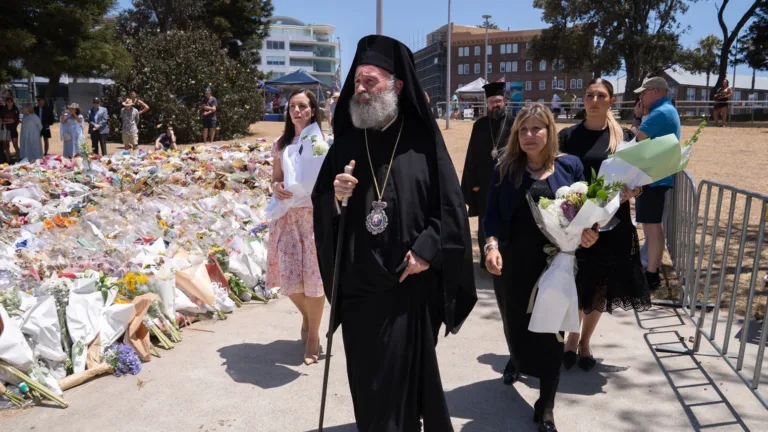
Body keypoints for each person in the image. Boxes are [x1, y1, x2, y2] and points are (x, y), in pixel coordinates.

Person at [312, 35, 477, 431]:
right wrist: (335, 198)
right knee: (369, 389)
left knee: (405, 387)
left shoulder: (422, 142)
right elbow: (321, 204)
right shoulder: (347, 141)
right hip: (360, 290)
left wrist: (426, 251)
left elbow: (450, 210)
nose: (362, 90)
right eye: (357, 83)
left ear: (397, 86)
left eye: (371, 82)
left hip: (408, 286)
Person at [485, 104, 598, 432]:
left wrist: (591, 233)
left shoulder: (570, 166)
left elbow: (585, 213)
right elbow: (491, 215)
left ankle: (546, 404)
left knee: (552, 335)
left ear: (550, 131)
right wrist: (491, 246)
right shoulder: (504, 169)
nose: (529, 136)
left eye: (536, 129)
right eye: (523, 130)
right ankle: (517, 359)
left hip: (557, 265)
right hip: (512, 265)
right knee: (516, 326)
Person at [559, 78, 650, 371]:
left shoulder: (624, 138)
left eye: (601, 95)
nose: (594, 100)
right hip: (576, 222)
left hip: (614, 224)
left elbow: (640, 181)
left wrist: (634, 191)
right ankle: (570, 339)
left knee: (599, 286)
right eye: (589, 95)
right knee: (575, 284)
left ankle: (583, 341)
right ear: (583, 101)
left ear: (611, 100)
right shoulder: (567, 136)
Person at [266, 89, 326, 365]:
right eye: (292, 106)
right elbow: (275, 179)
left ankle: (313, 336)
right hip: (287, 217)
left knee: (314, 279)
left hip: (313, 217)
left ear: (313, 110)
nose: (297, 111)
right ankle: (308, 318)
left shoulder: (318, 141)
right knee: (290, 280)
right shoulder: (281, 143)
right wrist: (277, 187)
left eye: (302, 106)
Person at [634, 76, 681, 291]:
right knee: (652, 226)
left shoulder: (661, 112)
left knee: (652, 228)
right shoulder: (665, 111)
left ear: (655, 92)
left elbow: (639, 138)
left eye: (643, 93)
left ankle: (651, 275)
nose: (641, 96)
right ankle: (651, 270)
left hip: (654, 178)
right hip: (655, 176)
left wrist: (637, 119)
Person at [461, 82, 513, 271]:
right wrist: (472, 182)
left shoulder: (514, 124)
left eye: (498, 101)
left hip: (509, 182)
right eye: (491, 102)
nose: (495, 105)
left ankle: (506, 259)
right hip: (484, 185)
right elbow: (471, 154)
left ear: (505, 101)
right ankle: (487, 261)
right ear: (487, 103)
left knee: (508, 220)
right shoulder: (480, 125)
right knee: (486, 221)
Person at [1, 96, 20, 161]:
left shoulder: (15, 109)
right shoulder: (3, 110)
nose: (10, 103)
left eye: (11, 101)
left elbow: (15, 120)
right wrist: (9, 120)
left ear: (13, 102)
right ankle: (8, 160)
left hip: (13, 130)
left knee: (15, 146)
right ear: (6, 102)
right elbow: (1, 120)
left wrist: (6, 121)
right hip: (5, 131)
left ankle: (18, 160)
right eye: (8, 101)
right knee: (6, 147)